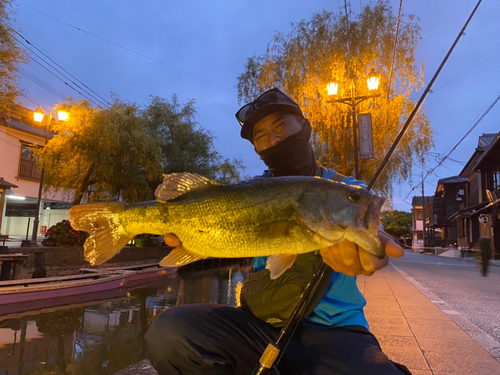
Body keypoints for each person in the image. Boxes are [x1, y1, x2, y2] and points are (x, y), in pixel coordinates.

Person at [145, 87, 411, 375]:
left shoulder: (346, 189)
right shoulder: (249, 192)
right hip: (259, 329)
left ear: (305, 128)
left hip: (337, 332)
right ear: (257, 150)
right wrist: (197, 239)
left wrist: (369, 248)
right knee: (169, 333)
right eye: (260, 136)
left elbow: (371, 229)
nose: (274, 139)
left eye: (281, 125)